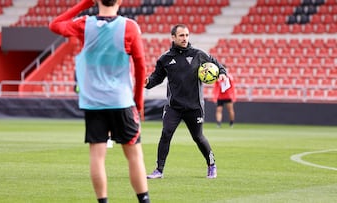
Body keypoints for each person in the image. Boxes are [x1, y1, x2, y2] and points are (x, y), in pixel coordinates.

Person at [49, 0, 150, 202]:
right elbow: (141, 68)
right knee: (134, 155)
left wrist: (84, 4)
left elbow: (55, 24)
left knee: (97, 156)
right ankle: (144, 200)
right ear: (120, 1)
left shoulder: (85, 24)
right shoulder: (129, 27)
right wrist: (138, 102)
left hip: (93, 102)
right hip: (121, 101)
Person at [144, 24, 227, 179]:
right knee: (166, 134)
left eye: (187, 35)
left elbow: (217, 64)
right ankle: (159, 170)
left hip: (194, 106)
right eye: (181, 35)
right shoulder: (165, 59)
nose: (185, 38)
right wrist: (147, 82)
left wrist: (222, 73)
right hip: (173, 106)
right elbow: (157, 77)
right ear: (173, 37)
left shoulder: (198, 54)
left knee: (198, 137)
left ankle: (211, 165)